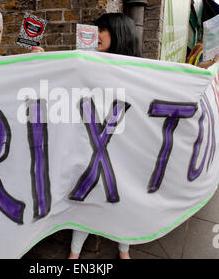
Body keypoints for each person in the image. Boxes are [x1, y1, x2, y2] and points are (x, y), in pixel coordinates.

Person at [68, 13, 140, 260]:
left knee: (123, 196)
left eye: (103, 29)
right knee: (87, 194)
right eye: (96, 28)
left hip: (123, 143)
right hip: (92, 139)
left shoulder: (139, 71)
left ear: (119, 33)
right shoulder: (86, 63)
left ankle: (124, 249)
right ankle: (74, 253)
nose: (96, 34)